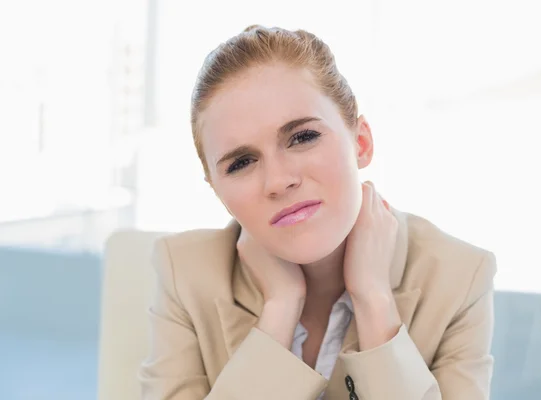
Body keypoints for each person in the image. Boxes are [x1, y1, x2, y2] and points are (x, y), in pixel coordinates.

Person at [139, 25, 496, 400]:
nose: (278, 181)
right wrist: (279, 309)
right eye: (241, 162)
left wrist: (374, 300)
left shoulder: (460, 278)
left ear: (361, 142)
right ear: (217, 190)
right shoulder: (185, 271)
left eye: (303, 137)